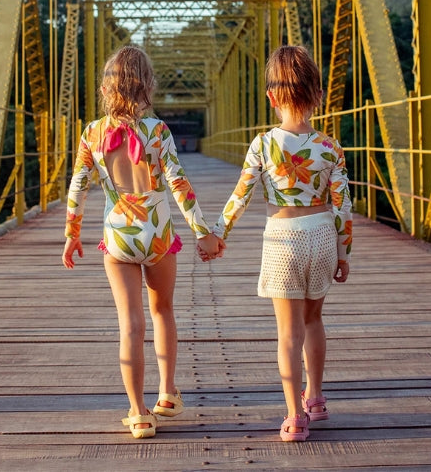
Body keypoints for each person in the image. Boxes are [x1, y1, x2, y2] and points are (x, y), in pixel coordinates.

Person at [62, 45, 225, 439]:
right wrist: (203, 233)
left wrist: (72, 234)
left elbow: (79, 186)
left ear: (106, 87)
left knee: (129, 324)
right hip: (158, 234)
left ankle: (137, 413)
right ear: (147, 86)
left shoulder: (92, 133)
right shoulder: (158, 131)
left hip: (117, 235)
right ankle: (167, 394)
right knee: (162, 310)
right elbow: (179, 184)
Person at [200, 45, 352, 442]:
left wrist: (217, 235)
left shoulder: (263, 145)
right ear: (318, 95)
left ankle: (293, 416)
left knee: (288, 334)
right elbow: (342, 207)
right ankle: (315, 400)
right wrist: (343, 253)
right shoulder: (330, 147)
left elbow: (241, 196)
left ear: (271, 97)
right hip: (321, 236)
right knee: (314, 320)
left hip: (283, 240)